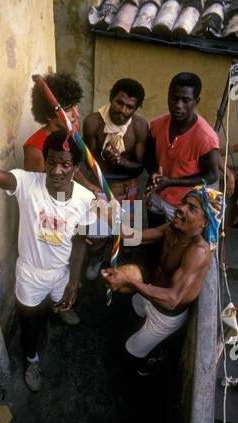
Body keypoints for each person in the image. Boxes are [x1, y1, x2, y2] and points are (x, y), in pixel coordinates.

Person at [0, 129, 97, 392]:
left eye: (66, 165)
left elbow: (81, 242)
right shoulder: (27, 183)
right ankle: (32, 359)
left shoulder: (85, 199)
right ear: (45, 160)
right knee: (29, 324)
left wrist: (74, 281)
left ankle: (62, 308)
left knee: (64, 300)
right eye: (51, 162)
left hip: (61, 273)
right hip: (30, 275)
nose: (57, 171)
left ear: (76, 166)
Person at [102, 183, 225, 376]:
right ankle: (143, 329)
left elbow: (172, 298)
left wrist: (130, 282)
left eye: (191, 208)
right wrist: (105, 214)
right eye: (184, 202)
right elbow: (134, 238)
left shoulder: (197, 252)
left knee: (129, 351)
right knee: (135, 310)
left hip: (164, 315)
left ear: (205, 223)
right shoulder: (173, 227)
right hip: (151, 291)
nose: (181, 208)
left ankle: (156, 355)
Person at [82, 78, 149, 279]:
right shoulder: (93, 122)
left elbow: (139, 167)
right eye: (119, 102)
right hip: (100, 184)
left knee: (128, 233)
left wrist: (120, 161)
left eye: (130, 107)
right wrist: (105, 158)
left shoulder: (140, 127)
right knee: (97, 231)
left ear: (136, 108)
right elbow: (88, 163)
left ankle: (123, 264)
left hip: (129, 185)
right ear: (111, 98)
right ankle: (95, 261)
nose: (122, 110)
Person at [145, 72, 220, 228]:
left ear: (196, 101)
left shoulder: (206, 137)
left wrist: (171, 182)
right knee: (154, 237)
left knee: (176, 246)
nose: (178, 105)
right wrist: (153, 173)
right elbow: (149, 157)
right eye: (174, 98)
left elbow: (212, 176)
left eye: (185, 100)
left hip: (183, 203)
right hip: (157, 193)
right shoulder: (157, 124)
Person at [23, 71, 83, 173]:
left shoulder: (72, 127)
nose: (76, 114)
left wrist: (88, 185)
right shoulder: (35, 151)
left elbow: (71, 168)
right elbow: (36, 187)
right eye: (68, 109)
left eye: (75, 105)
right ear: (48, 116)